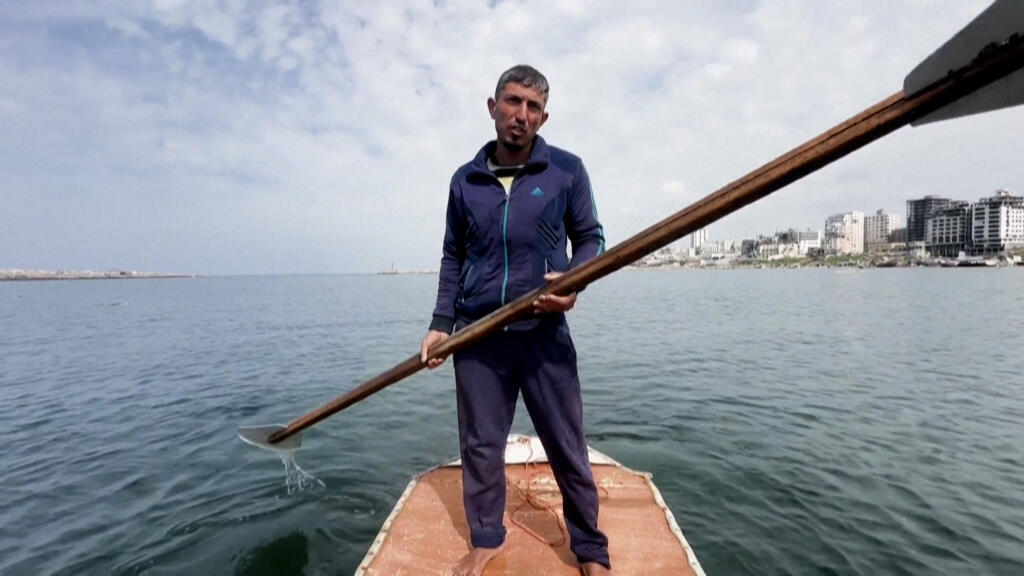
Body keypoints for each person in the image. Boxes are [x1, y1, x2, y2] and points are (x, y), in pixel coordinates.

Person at [420, 65, 611, 576]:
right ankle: (486, 537)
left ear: (544, 116)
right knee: (480, 444)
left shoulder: (567, 171)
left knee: (567, 443)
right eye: (512, 102)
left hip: (543, 331)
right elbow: (452, 256)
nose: (521, 115)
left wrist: (572, 281)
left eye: (532, 107)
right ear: (492, 106)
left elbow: (592, 239)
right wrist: (442, 324)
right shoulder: (466, 181)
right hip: (478, 335)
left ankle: (590, 548)